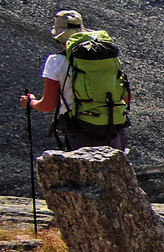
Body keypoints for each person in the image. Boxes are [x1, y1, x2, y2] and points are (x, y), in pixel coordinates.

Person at [19, 9, 131, 150]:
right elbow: (125, 98)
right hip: (114, 126)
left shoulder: (56, 61)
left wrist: (30, 102)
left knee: (85, 171)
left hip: (80, 129)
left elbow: (47, 105)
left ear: (59, 38)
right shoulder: (105, 58)